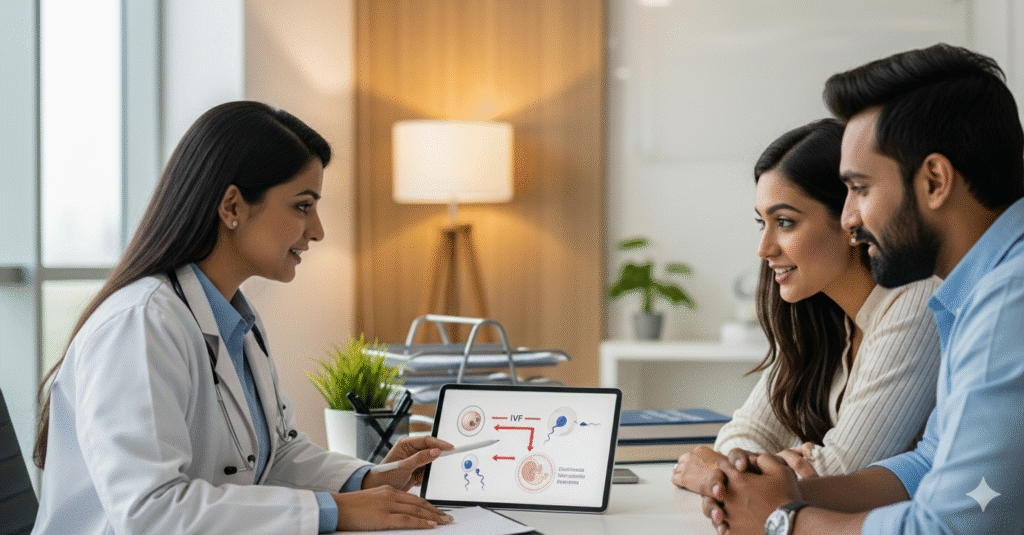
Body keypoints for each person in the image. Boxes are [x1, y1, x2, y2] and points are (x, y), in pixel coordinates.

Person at [31, 101, 455, 534]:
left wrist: (368, 480)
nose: (317, 231)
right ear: (232, 206)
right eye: (303, 206)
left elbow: (274, 456)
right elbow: (152, 513)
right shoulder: (140, 326)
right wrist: (337, 510)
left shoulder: (233, 322)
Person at [702, 43, 1024, 535]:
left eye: (860, 189)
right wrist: (776, 491)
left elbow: (950, 528)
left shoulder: (1009, 300)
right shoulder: (975, 292)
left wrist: (785, 520)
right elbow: (928, 462)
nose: (849, 218)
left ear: (934, 181)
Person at [671, 120, 941, 493]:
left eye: (785, 222)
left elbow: (841, 475)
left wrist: (713, 472)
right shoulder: (821, 318)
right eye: (763, 223)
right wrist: (749, 467)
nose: (764, 248)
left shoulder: (917, 304)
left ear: (850, 219)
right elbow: (746, 432)